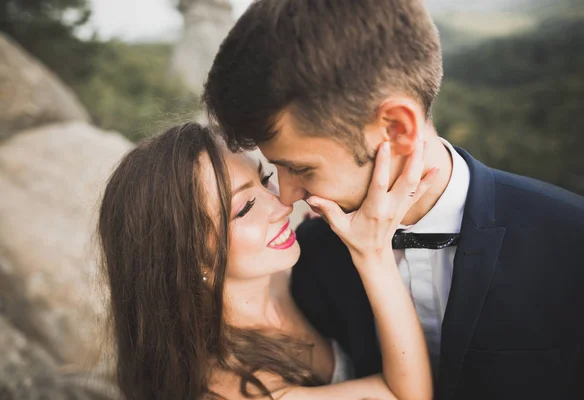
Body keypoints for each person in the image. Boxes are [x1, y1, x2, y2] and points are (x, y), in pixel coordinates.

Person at [202, 0, 584, 399]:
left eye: (302, 169)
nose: (287, 198)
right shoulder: (308, 259)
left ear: (396, 129)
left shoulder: (582, 246)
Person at [97, 122, 435, 400]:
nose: (282, 205)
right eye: (244, 208)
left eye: (264, 180)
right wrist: (374, 252)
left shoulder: (288, 269)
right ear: (186, 259)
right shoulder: (238, 390)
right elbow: (407, 396)